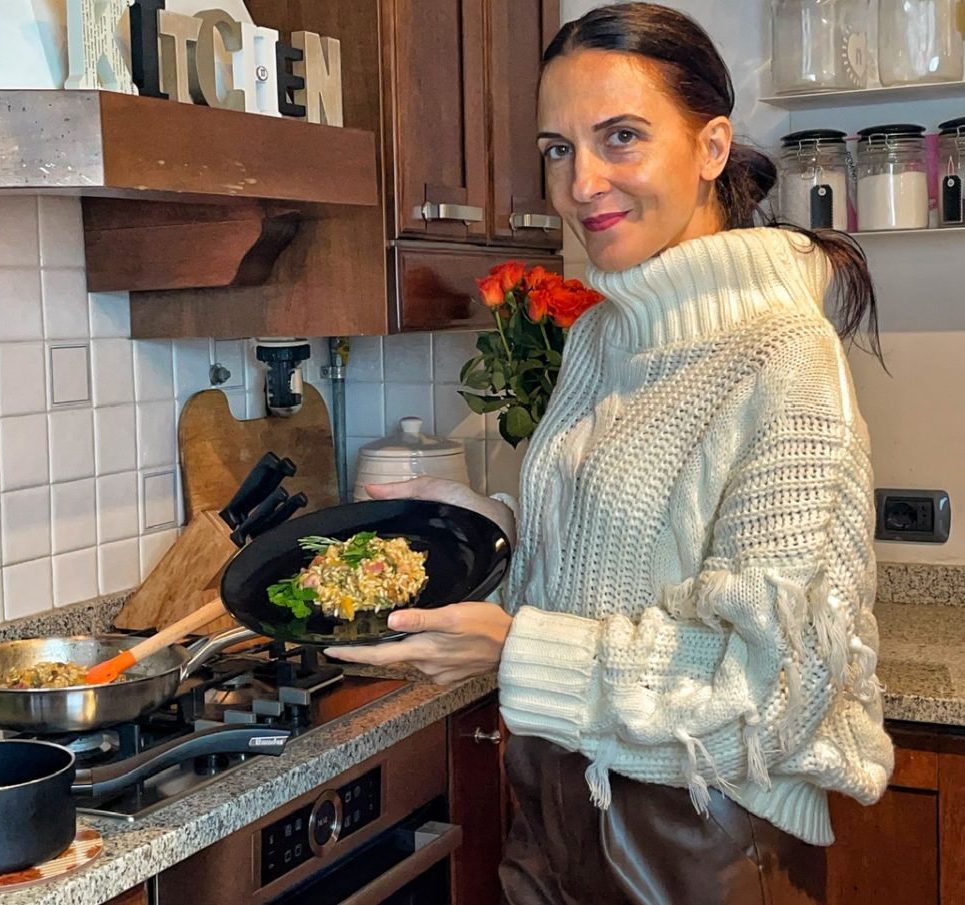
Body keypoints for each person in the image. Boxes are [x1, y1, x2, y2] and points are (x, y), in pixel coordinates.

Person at [324, 4, 894, 903]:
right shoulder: (601, 341)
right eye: (558, 148)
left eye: (620, 137)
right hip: (556, 808)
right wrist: (466, 549)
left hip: (700, 843)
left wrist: (518, 653)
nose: (582, 182)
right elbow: (588, 578)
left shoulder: (783, 353)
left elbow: (774, 686)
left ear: (711, 147)